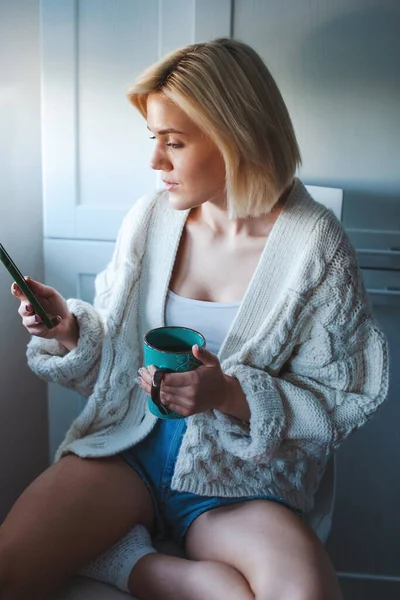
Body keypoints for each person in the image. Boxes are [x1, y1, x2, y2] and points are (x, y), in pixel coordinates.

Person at [0, 38, 388, 600]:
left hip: (237, 482)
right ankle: (139, 564)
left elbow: (340, 403)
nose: (155, 161)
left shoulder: (315, 247)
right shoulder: (151, 219)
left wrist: (229, 394)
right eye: (153, 140)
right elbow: (114, 363)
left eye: (174, 143)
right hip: (127, 451)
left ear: (236, 139)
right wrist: (72, 332)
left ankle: (136, 564)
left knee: (307, 592)